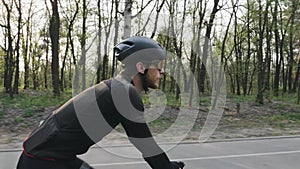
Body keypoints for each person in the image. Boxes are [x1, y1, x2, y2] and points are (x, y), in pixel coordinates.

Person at [16, 36, 185, 169]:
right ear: (141, 67)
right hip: (43, 161)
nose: (162, 72)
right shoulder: (125, 93)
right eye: (158, 65)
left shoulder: (115, 87)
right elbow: (145, 144)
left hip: (50, 157)